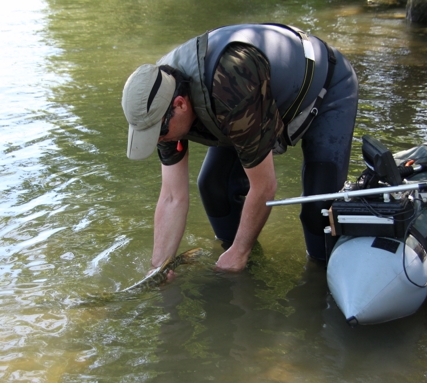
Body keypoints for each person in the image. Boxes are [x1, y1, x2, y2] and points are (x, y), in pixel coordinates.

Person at [121, 23, 358, 272]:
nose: (158, 141)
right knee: (214, 186)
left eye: (158, 133)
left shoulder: (230, 87)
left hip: (327, 87)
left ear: (180, 105)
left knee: (317, 211)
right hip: (250, 103)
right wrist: (159, 267)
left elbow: (264, 186)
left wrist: (240, 251)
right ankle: (247, 267)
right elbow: (171, 197)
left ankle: (319, 282)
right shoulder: (156, 101)